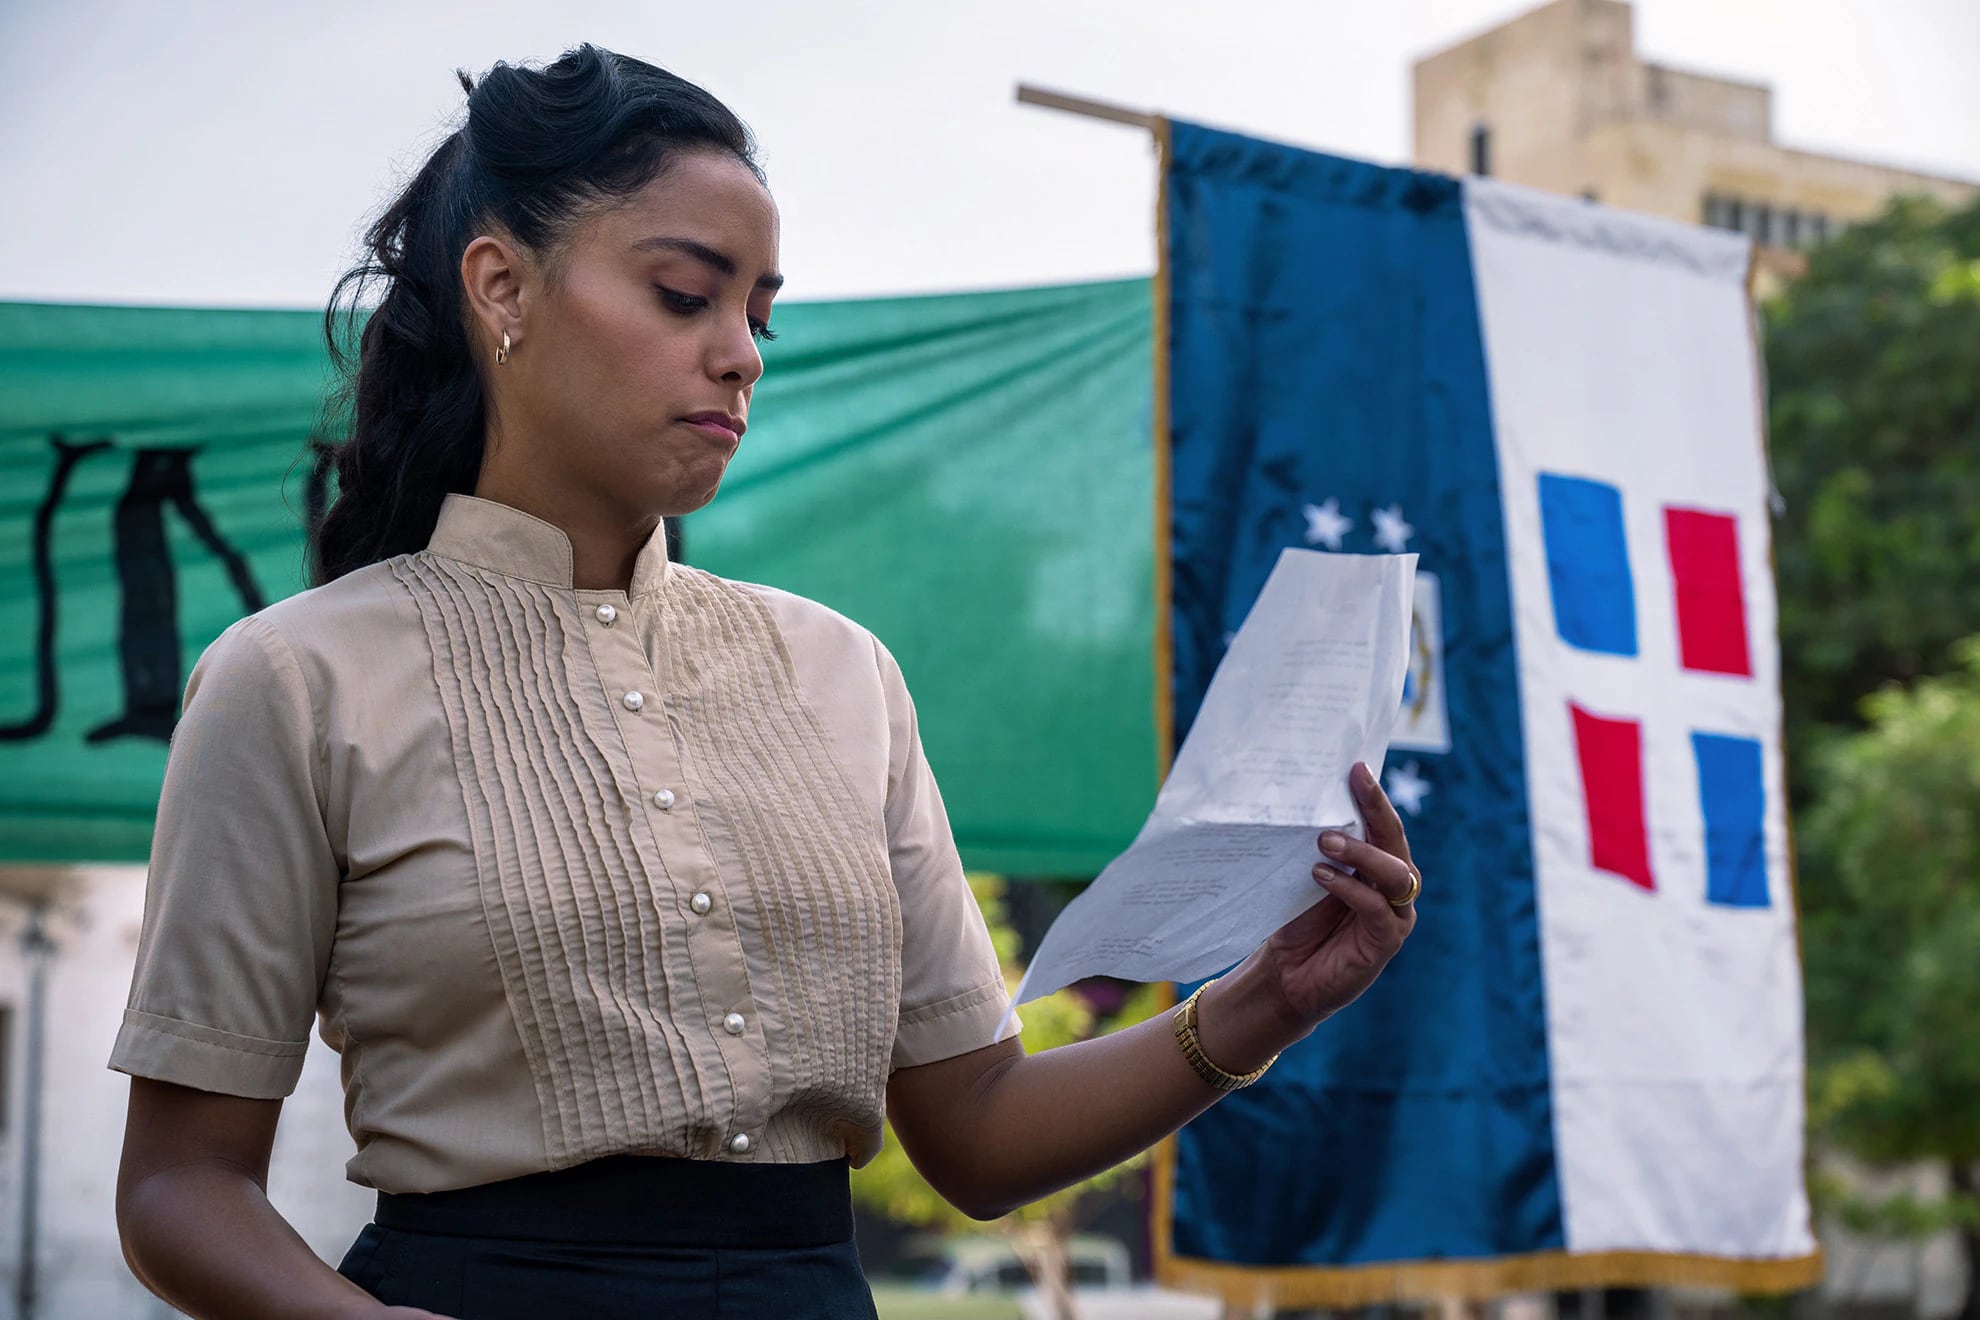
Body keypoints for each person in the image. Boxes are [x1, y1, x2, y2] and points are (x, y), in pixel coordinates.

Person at [107, 44, 1423, 1320]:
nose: (740, 350)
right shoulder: (295, 678)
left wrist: (1252, 1011)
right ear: (501, 287)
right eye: (687, 295)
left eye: (759, 314)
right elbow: (178, 1184)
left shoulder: (843, 672)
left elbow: (974, 1132)